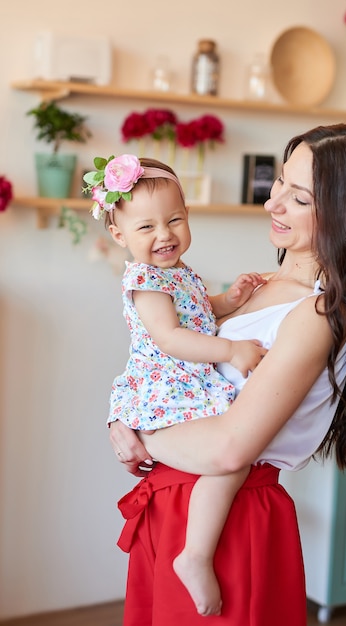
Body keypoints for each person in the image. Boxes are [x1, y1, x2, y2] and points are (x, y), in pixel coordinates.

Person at [109, 123, 346, 626]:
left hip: (226, 524)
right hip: (173, 505)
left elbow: (231, 448)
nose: (272, 203)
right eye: (279, 183)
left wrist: (143, 430)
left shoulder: (320, 313)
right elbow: (172, 365)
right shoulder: (266, 283)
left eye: (297, 197)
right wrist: (122, 418)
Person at [83, 154, 267, 616]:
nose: (164, 235)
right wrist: (231, 351)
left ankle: (196, 554)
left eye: (175, 220)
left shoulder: (180, 274)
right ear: (119, 235)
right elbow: (171, 337)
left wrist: (232, 299)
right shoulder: (145, 281)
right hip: (169, 390)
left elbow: (201, 312)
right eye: (146, 228)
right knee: (230, 460)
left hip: (190, 385)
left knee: (232, 458)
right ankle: (195, 555)